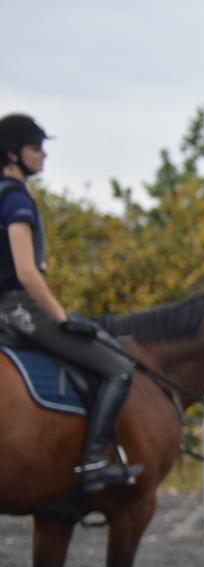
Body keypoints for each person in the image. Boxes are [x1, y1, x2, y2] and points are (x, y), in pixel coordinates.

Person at [0, 113, 141, 492]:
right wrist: (61, 318)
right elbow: (27, 273)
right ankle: (94, 460)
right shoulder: (16, 203)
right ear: (13, 154)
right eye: (36, 148)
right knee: (118, 367)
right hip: (16, 310)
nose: (43, 156)